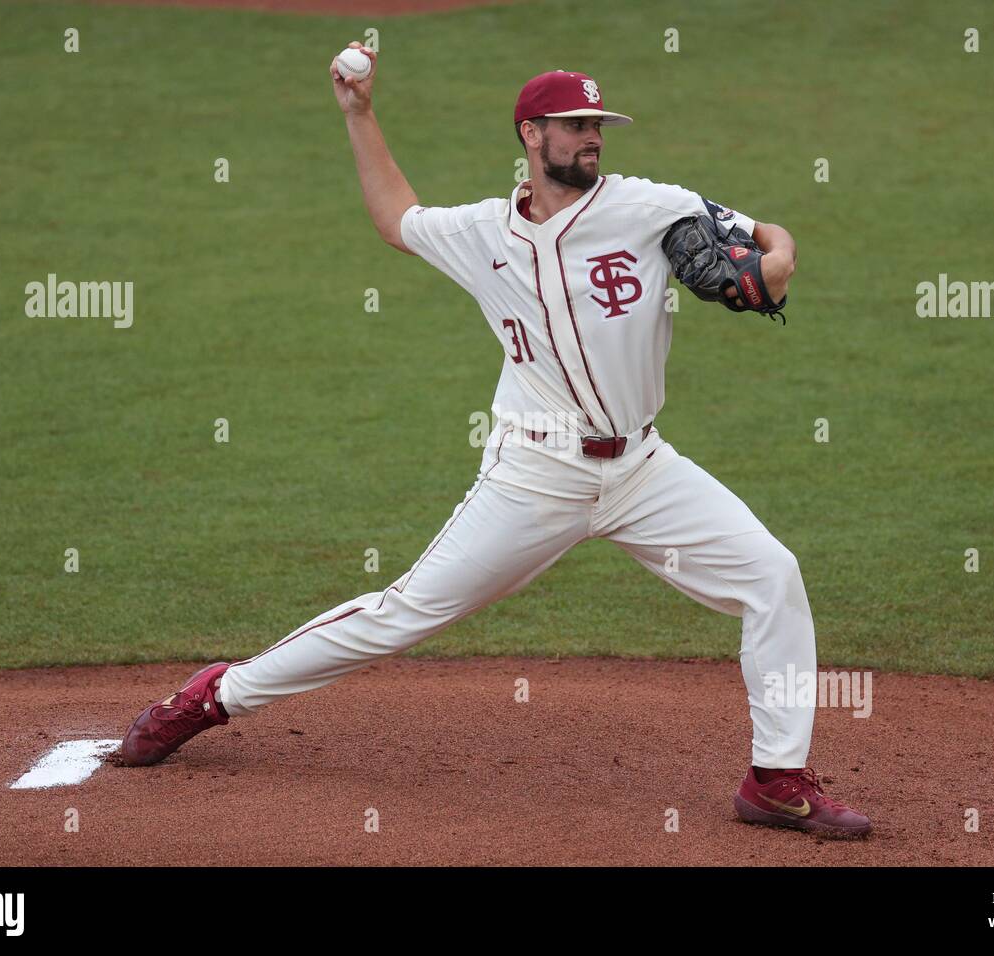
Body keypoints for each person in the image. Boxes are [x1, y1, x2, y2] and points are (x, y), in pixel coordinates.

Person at [119, 43, 871, 839]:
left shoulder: (653, 206)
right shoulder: (480, 232)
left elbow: (766, 238)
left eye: (598, 124)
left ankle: (776, 780)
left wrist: (775, 262)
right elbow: (394, 218)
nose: (593, 137)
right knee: (402, 613)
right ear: (530, 133)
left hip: (645, 470)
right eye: (576, 124)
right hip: (536, 473)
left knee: (772, 576)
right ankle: (214, 696)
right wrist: (360, 113)